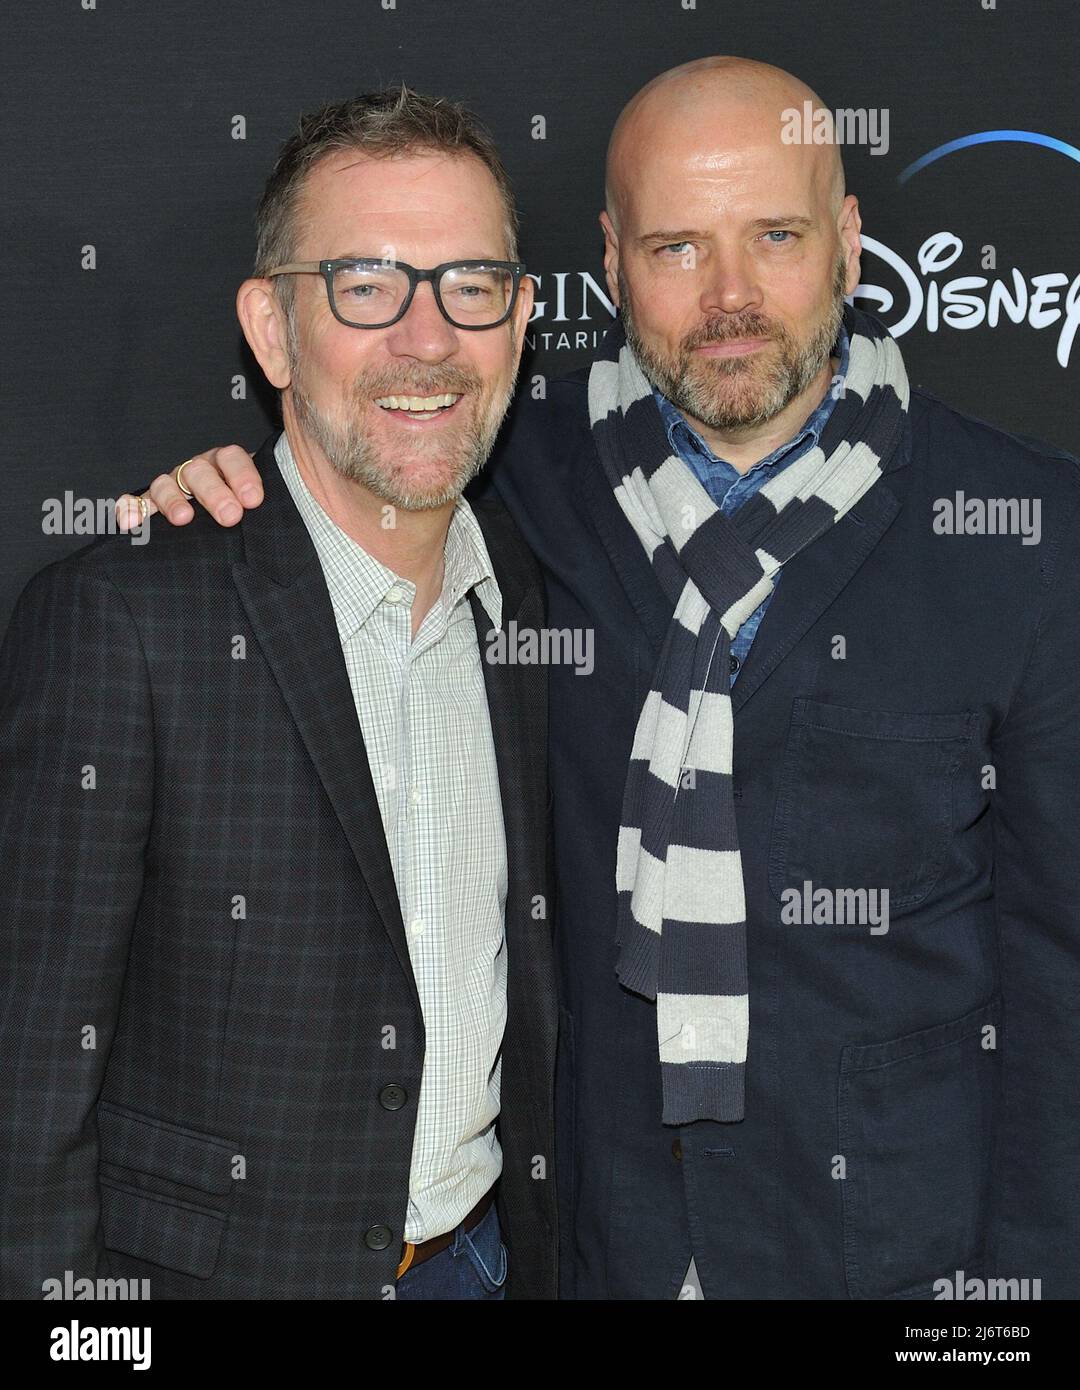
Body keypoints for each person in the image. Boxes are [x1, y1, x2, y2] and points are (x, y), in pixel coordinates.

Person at [118, 57, 1080, 1300]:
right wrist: (215, 504)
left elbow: (1059, 989)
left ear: (848, 245)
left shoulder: (1025, 534)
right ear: (611, 264)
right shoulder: (515, 485)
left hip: (892, 1260)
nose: (730, 296)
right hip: (596, 1246)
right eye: (678, 247)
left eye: (775, 236)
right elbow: (347, 481)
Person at [0, 88, 558, 1301]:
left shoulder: (537, 598)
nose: (425, 339)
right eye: (366, 285)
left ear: (521, 321)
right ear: (271, 328)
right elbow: (25, 1088)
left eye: (470, 284)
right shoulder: (128, 617)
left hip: (479, 1266)